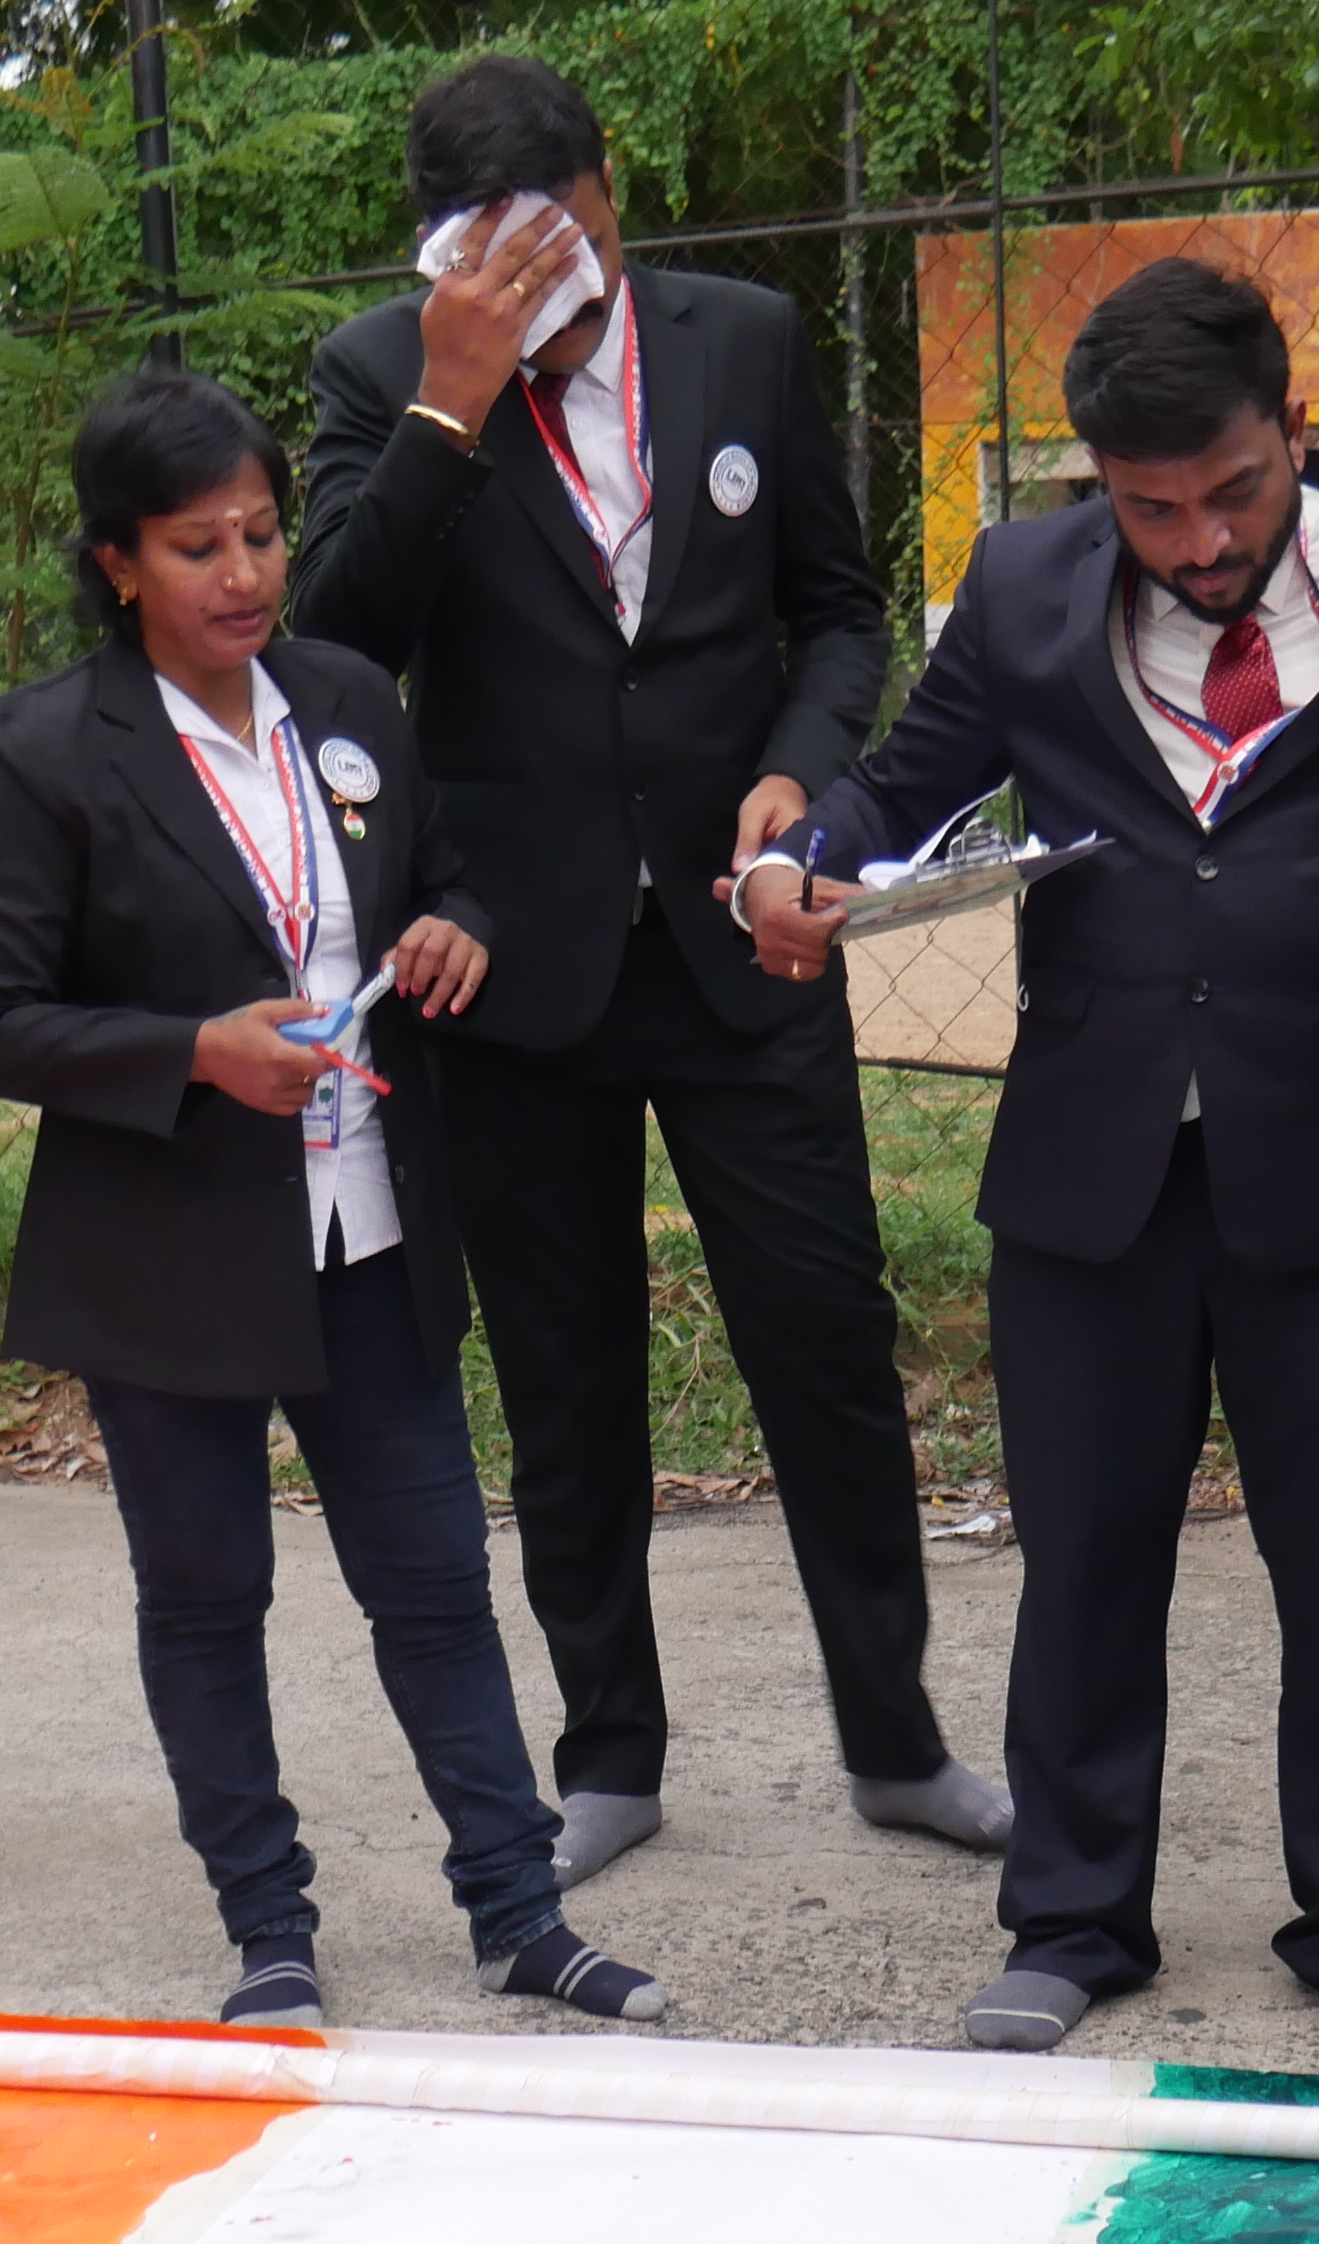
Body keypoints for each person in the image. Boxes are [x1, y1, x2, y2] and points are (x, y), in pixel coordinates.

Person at [740, 260, 1319, 2055]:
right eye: (1149, 509)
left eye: (1232, 495)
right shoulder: (1027, 586)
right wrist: (796, 855)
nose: (1197, 542)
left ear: (1293, 428)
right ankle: (1069, 1912)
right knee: (1086, 1551)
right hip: (1091, 1166)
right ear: (1090, 487)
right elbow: (906, 780)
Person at [291, 54, 1007, 1891]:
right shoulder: (381, 373)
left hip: (736, 929)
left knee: (826, 1341)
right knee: (564, 1374)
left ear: (610, 197)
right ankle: (607, 1748)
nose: (540, 308)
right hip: (506, 964)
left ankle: (897, 1735)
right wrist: (452, 408)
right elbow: (339, 648)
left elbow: (836, 610)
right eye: (490, 279)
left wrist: (806, 778)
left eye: (559, 260)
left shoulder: (743, 340)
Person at [0, 368, 665, 2032]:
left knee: (431, 1580)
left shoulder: (345, 699)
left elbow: (435, 874)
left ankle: (517, 1907)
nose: (245, 573)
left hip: (370, 1230)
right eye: (197, 546)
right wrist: (191, 1052)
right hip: (170, 1257)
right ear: (118, 562)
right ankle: (267, 1924)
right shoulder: (52, 751)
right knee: (207, 1593)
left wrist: (453, 924)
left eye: (263, 532)